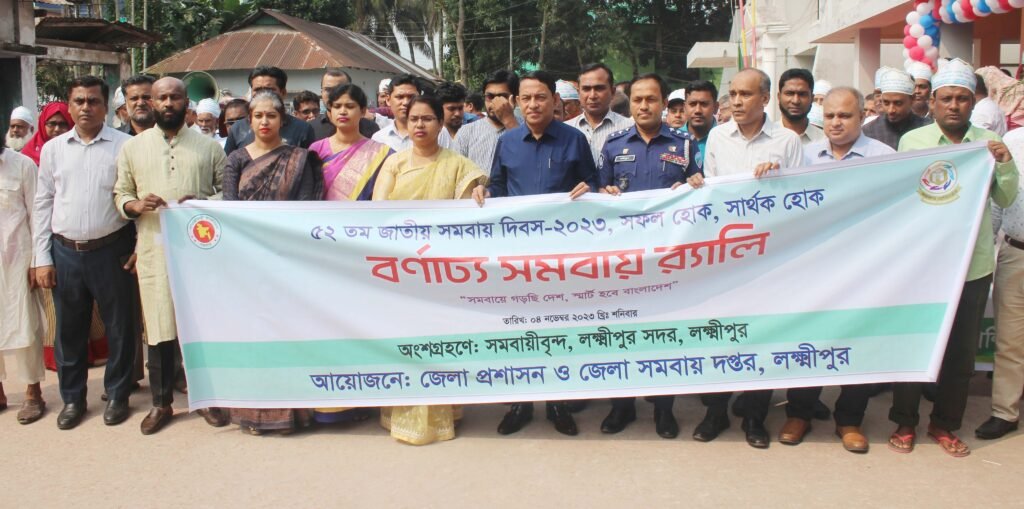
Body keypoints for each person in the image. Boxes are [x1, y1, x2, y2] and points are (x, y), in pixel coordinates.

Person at [889, 59, 1019, 458]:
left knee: (961, 355)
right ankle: (905, 422)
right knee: (914, 345)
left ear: (972, 102)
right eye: (946, 98)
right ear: (932, 102)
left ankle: (944, 424)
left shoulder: (989, 142)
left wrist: (1004, 164)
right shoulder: (913, 142)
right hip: (922, 264)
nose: (954, 105)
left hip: (971, 265)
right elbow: (900, 198)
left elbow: (1005, 198)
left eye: (962, 98)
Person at [472, 70, 597, 437]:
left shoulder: (574, 140)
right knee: (520, 328)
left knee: (558, 328)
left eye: (540, 97)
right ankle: (521, 403)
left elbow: (592, 183)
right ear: (516, 102)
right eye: (525, 98)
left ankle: (558, 402)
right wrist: (485, 192)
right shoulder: (508, 142)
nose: (533, 104)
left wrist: (588, 189)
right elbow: (498, 185)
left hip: (562, 255)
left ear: (554, 100)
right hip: (518, 256)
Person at [686, 68, 803, 449]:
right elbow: (711, 193)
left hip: (770, 257)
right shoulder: (718, 137)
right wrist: (697, 185)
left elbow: (802, 198)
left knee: (760, 336)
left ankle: (755, 416)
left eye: (745, 94)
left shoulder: (787, 141)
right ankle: (716, 412)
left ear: (765, 99)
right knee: (721, 334)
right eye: (733, 94)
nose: (735, 101)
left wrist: (780, 178)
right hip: (726, 256)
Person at [780, 87, 894, 453]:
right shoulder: (804, 156)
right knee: (808, 340)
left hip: (864, 270)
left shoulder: (884, 158)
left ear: (862, 117)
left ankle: (849, 420)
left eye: (845, 116)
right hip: (814, 270)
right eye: (829, 116)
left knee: (856, 343)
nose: (836, 123)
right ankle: (799, 413)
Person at [114, 77, 230, 435]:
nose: (167, 103)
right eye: (161, 97)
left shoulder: (209, 147)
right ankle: (161, 403)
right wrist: (134, 205)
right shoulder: (133, 148)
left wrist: (202, 203)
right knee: (160, 327)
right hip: (154, 250)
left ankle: (207, 399)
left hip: (200, 253)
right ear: (152, 102)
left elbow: (228, 192)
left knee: (201, 327)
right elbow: (121, 193)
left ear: (186, 102)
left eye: (174, 97)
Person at [372, 96, 486, 445]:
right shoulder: (394, 164)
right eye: (413, 119)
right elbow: (378, 215)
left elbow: (468, 216)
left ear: (440, 123)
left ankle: (442, 411)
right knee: (404, 340)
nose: (420, 125)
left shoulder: (459, 165)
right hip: (402, 267)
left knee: (437, 340)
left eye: (427, 119)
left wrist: (480, 193)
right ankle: (403, 413)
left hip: (441, 269)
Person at [597, 73, 701, 439]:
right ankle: (621, 406)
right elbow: (598, 192)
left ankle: (664, 409)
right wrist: (603, 192)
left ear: (664, 103)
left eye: (651, 99)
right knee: (622, 332)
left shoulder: (684, 144)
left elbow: (703, 190)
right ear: (629, 103)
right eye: (638, 99)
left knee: (664, 334)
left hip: (667, 260)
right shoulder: (613, 144)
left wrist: (694, 185)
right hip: (624, 259)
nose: (644, 106)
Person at [31, 76, 138, 431]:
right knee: (69, 330)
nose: (86, 108)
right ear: (69, 105)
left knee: (120, 326)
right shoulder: (54, 149)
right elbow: (43, 203)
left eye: (93, 101)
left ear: (106, 107)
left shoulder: (125, 146)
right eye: (79, 101)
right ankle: (73, 399)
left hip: (112, 249)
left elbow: (135, 196)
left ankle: (118, 394)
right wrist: (42, 258)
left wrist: (138, 246)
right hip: (65, 252)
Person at [222, 91, 323, 434]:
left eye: (271, 115)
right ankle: (253, 412)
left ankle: (294, 412)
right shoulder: (236, 160)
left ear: (283, 120)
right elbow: (230, 212)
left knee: (289, 334)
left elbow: (305, 211)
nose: (264, 121)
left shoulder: (300, 158)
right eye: (258, 115)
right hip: (247, 262)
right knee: (252, 334)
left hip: (287, 260)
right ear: (249, 121)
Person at [977, 125, 1024, 441]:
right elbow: (997, 199)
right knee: (1009, 340)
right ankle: (1005, 412)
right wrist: (986, 244)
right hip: (1016, 252)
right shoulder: (1013, 141)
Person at [0, 130, 47, 424]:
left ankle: (33, 392)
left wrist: (36, 261)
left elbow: (38, 216)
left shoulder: (22, 165)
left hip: (17, 260)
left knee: (26, 324)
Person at [309, 84, 394, 203]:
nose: (342, 111)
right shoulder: (317, 149)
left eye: (350, 106)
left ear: (363, 111)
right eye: (337, 106)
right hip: (322, 214)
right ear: (330, 112)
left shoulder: (381, 153)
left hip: (365, 214)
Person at [224, 66, 315, 153]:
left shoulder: (303, 129)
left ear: (283, 93)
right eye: (257, 90)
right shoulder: (237, 129)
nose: (263, 94)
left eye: (269, 89)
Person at [452, 70, 519, 174]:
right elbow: (455, 172)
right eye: (490, 96)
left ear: (514, 99)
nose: (495, 102)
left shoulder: (528, 130)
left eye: (502, 97)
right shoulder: (466, 132)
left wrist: (509, 121)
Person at [568, 63, 634, 165]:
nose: (592, 96)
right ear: (578, 93)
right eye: (586, 89)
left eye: (599, 88)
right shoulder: (566, 130)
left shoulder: (631, 129)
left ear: (612, 92)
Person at [372, 74, 451, 151]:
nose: (406, 102)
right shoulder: (379, 139)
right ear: (388, 100)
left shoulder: (439, 133)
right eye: (400, 97)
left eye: (411, 97)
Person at [862, 67, 933, 150]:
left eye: (898, 103)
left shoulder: (927, 127)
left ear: (912, 99)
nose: (891, 110)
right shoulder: (869, 132)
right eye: (886, 103)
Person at [310, 69, 379, 141]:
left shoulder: (371, 128)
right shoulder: (311, 129)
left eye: (339, 89)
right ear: (321, 92)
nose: (333, 94)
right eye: (328, 89)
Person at [778, 68, 824, 145]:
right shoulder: (764, 140)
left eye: (802, 94)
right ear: (779, 97)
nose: (795, 101)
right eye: (790, 93)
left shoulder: (825, 141)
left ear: (812, 98)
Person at [681, 80, 719, 167]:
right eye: (692, 104)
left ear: (716, 107)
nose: (698, 110)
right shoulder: (671, 140)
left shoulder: (726, 140)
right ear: (684, 107)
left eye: (704, 104)